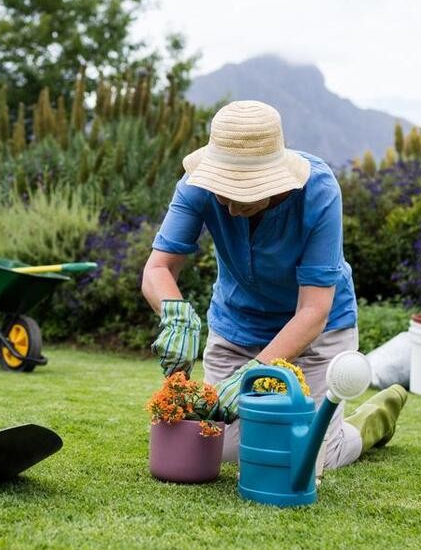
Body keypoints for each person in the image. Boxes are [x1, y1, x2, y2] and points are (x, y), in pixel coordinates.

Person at [141, 100, 406, 473]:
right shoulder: (195, 185)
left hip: (316, 332)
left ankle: (369, 422)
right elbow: (157, 268)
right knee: (218, 444)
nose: (230, 209)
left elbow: (314, 310)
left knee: (307, 459)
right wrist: (175, 313)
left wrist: (257, 372)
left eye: (242, 194)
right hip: (238, 329)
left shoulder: (318, 190)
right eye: (223, 192)